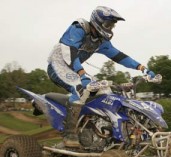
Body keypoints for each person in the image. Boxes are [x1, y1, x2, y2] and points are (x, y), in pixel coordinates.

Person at [47, 6, 155, 147]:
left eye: (112, 25)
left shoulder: (101, 42)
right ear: (97, 21)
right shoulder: (78, 29)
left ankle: (93, 131)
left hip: (76, 70)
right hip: (59, 66)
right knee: (80, 88)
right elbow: (70, 54)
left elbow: (120, 56)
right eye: (108, 24)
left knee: (104, 90)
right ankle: (69, 134)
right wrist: (82, 74)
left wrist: (142, 68)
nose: (110, 28)